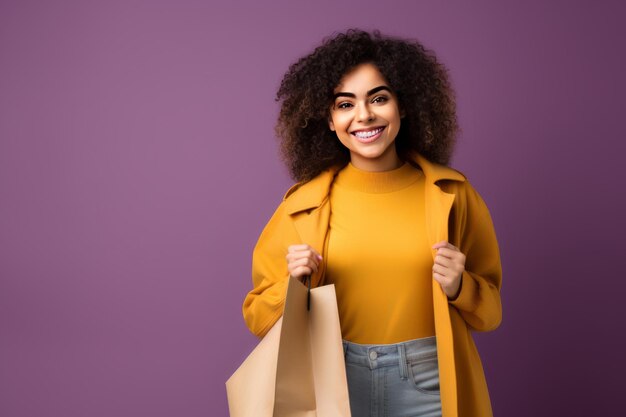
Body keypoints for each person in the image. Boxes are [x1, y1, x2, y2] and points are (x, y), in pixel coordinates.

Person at [242, 29, 502, 417]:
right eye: (345, 105)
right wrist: (292, 287)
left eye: (378, 98)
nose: (363, 115)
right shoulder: (303, 207)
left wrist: (460, 286)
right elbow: (257, 317)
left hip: (428, 380)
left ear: (404, 106)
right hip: (332, 381)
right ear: (329, 120)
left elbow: (490, 313)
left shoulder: (453, 195)